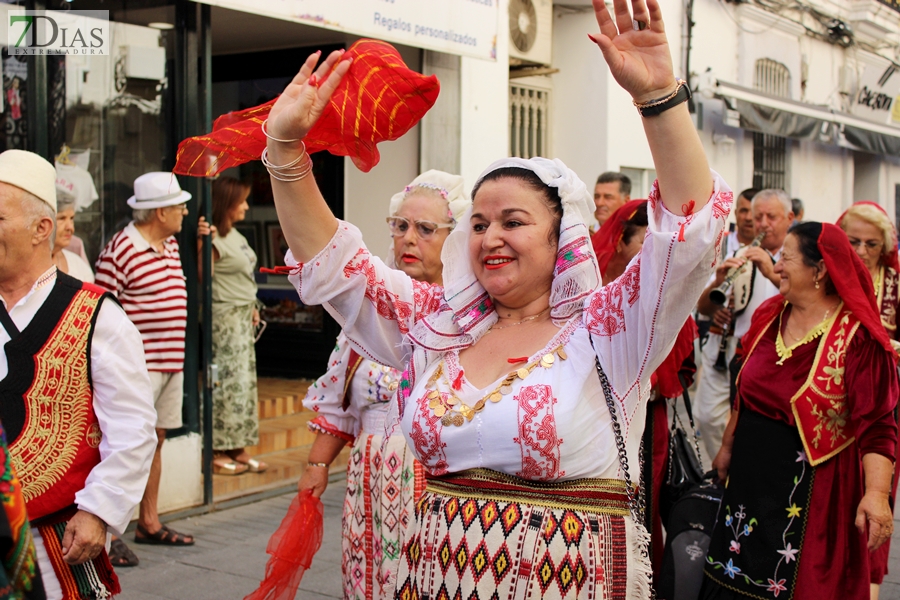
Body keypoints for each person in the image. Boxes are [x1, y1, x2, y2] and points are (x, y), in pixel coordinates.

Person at [262, 0, 731, 595]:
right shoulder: (439, 325)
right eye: (478, 225)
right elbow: (337, 263)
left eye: (514, 221)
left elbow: (687, 236)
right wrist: (284, 149)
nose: (492, 238)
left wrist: (660, 97)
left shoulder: (608, 327)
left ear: (563, 238)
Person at [298, 170, 469, 600]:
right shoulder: (372, 315)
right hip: (370, 484)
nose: (409, 239)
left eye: (426, 229)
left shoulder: (469, 317)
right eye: (400, 226)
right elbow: (339, 400)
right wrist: (316, 467)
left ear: (456, 238)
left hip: (437, 487)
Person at [704, 222, 898, 599]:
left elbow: (878, 424)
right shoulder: (769, 316)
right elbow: (743, 393)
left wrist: (876, 493)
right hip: (747, 485)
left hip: (811, 493)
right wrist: (727, 447)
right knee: (733, 580)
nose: (776, 267)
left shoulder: (857, 338)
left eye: (786, 259)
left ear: (820, 271)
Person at [0, 149, 156, 596]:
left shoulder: (96, 315)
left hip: (50, 544)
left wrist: (99, 510)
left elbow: (132, 427)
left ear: (41, 229)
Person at [95, 171, 211, 551]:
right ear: (159, 212)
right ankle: (109, 532)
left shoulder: (172, 244)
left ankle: (148, 522)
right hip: (135, 368)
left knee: (156, 440)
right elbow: (98, 313)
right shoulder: (120, 250)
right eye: (178, 206)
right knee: (122, 444)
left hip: (169, 360)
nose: (184, 211)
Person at [593, 199, 698, 578]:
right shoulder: (589, 288)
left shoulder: (665, 297)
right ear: (621, 241)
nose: (650, 255)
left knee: (640, 509)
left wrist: (647, 383)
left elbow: (685, 370)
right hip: (592, 420)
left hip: (646, 424)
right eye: (644, 243)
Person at [694, 189, 792, 458]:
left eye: (770, 216)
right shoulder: (734, 251)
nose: (762, 223)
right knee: (707, 418)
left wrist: (771, 272)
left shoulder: (795, 255)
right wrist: (718, 286)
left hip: (769, 354)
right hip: (724, 348)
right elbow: (702, 308)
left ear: (789, 218)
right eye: (758, 216)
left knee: (756, 428)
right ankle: (722, 474)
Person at [836, 202, 900, 600]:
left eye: (870, 244)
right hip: (830, 408)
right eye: (852, 240)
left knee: (875, 491)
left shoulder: (895, 283)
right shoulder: (828, 275)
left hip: (883, 404)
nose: (860, 250)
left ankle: (870, 582)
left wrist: (888, 347)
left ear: (884, 247)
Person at [209, 177, 266, 475]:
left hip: (244, 315)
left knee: (243, 384)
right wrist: (202, 242)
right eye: (240, 201)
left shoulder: (236, 237)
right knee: (225, 384)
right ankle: (217, 446)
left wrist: (253, 306)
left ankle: (238, 445)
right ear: (226, 204)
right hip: (225, 318)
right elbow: (203, 277)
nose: (245, 206)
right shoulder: (214, 239)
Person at [51, 197, 94, 283]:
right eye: (62, 218)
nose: (70, 227)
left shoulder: (79, 266)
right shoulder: (26, 266)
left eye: (71, 219)